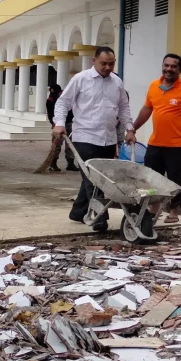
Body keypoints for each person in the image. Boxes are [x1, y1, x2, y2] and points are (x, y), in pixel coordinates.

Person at [52, 47, 134, 232]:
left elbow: (123, 107)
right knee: (95, 180)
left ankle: (78, 212)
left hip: (108, 139)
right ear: (93, 60)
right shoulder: (81, 79)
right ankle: (99, 218)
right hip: (85, 137)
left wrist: (129, 129)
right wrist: (60, 123)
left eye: (111, 64)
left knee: (94, 177)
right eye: (104, 63)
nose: (108, 67)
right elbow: (63, 102)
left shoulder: (117, 82)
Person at [131, 53, 181, 224]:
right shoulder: (153, 86)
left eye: (173, 66)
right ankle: (153, 209)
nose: (169, 69)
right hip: (155, 142)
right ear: (162, 66)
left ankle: (174, 211)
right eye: (166, 65)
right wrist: (133, 129)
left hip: (178, 144)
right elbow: (146, 110)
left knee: (176, 180)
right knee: (151, 177)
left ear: (180, 69)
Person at [45, 84, 77, 173]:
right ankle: (53, 163)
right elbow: (50, 113)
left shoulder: (65, 96)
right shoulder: (50, 100)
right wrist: (54, 123)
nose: (53, 93)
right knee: (56, 145)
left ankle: (70, 163)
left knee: (70, 144)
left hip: (69, 122)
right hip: (57, 125)